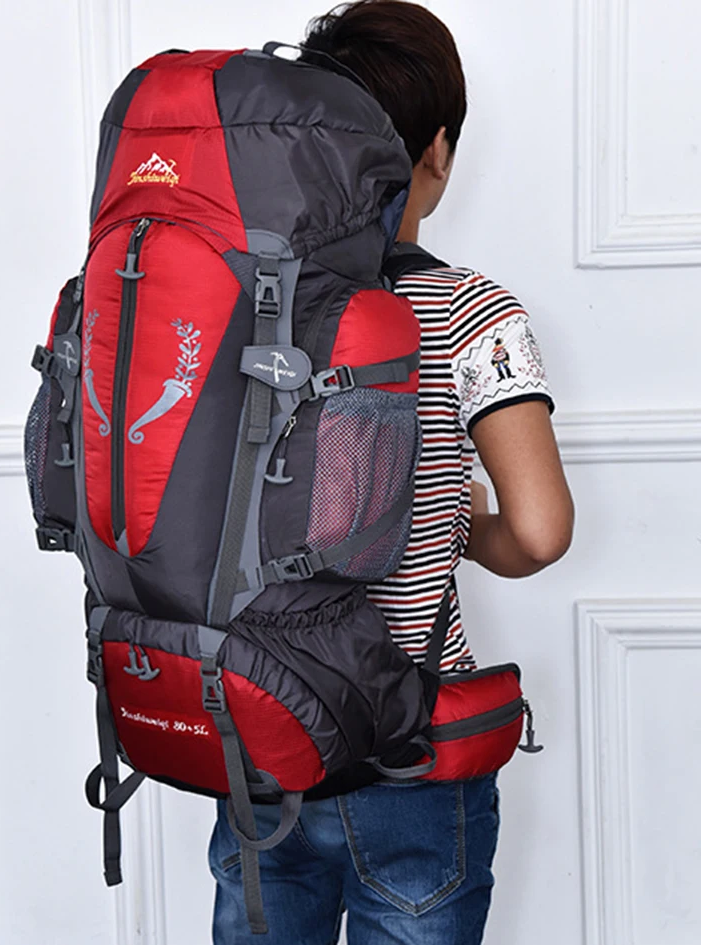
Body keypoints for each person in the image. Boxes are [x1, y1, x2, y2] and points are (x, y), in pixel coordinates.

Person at [208, 2, 575, 942]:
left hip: (260, 733)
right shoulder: (469, 310)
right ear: (437, 150)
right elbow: (539, 531)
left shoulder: (239, 306)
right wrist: (467, 522)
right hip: (409, 754)